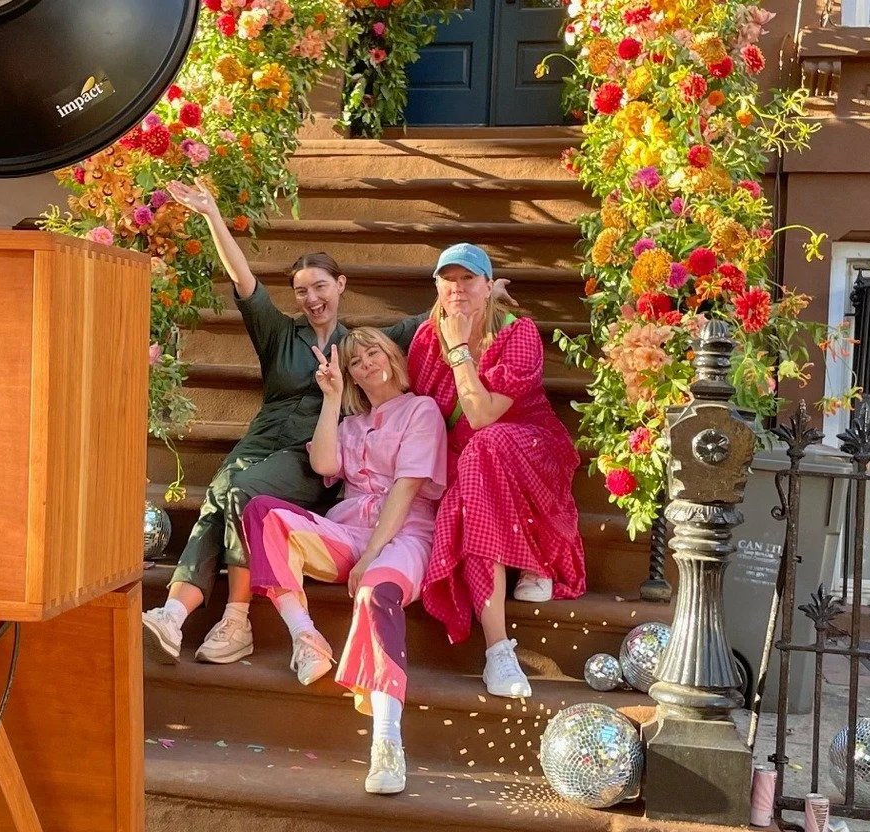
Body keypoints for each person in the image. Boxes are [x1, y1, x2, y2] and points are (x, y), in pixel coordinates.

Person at [140, 182, 423, 666]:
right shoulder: (279, 335)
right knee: (220, 495)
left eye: (320, 286)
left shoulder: (360, 343)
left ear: (340, 285)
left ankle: (236, 616)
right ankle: (172, 615)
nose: (312, 298)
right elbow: (245, 278)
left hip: (308, 459)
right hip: (259, 442)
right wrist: (211, 213)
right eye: (301, 291)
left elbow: (428, 320)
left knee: (238, 491)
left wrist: (479, 294)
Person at [242, 329, 447, 796]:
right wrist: (331, 397)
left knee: (376, 592)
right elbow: (324, 464)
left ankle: (387, 743)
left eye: (373, 352)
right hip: (347, 528)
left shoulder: (422, 410)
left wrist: (372, 554)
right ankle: (305, 637)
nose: (366, 364)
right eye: (355, 361)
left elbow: (407, 488)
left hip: (405, 535)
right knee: (263, 512)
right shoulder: (352, 422)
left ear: (392, 357)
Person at [408, 243, 587, 701]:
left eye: (469, 279)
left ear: (488, 286)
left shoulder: (518, 334)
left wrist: (460, 350)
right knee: (474, 470)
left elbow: (484, 415)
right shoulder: (425, 336)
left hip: (528, 447)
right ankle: (498, 649)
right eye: (449, 279)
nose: (458, 288)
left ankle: (531, 556)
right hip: (470, 464)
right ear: (436, 286)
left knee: (484, 445)